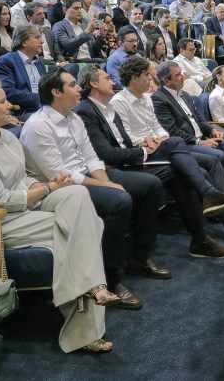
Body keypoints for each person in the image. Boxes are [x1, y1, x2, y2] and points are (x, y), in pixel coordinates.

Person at [0, 79, 116, 353]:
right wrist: (48, 188)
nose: (10, 105)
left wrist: (48, 184)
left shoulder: (7, 137)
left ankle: (91, 290)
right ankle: (88, 311)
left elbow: (23, 179)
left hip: (26, 209)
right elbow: (1, 201)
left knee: (77, 195)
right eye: (2, 101)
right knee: (86, 228)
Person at [23, 69, 168, 308]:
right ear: (56, 92)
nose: (79, 88)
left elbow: (91, 158)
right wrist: (107, 186)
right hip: (61, 189)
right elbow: (60, 175)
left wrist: (107, 182)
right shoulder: (38, 126)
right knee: (119, 200)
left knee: (150, 185)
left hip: (88, 176)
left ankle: (139, 257)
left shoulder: (73, 117)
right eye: (72, 85)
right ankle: (110, 277)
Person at [75, 66, 224, 259]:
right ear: (94, 83)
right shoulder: (89, 109)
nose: (113, 82)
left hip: (138, 153)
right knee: (181, 153)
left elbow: (135, 136)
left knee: (188, 167)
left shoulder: (107, 106)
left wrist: (149, 142)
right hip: (120, 164)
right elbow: (107, 153)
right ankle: (207, 207)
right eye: (107, 78)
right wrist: (143, 149)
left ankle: (201, 237)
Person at [111, 57, 224, 241]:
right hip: (146, 155)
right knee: (200, 162)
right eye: (146, 75)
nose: (150, 79)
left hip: (163, 147)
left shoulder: (146, 99)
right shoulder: (119, 101)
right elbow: (127, 138)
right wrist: (149, 141)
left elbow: (159, 129)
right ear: (133, 78)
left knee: (211, 160)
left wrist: (159, 139)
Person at [0, 24, 47, 116]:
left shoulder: (39, 63)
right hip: (23, 111)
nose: (42, 41)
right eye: (37, 37)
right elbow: (7, 92)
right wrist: (41, 98)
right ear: (23, 42)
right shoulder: (5, 61)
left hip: (44, 108)